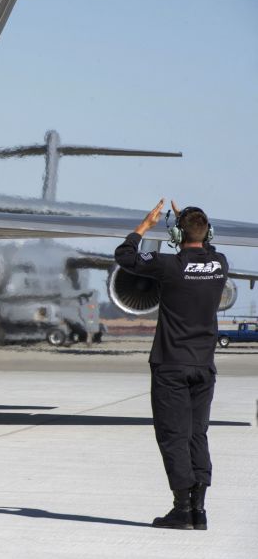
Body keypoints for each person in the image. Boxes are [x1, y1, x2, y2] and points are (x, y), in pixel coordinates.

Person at [114, 198, 228, 530]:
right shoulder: (219, 263)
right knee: (197, 434)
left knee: (173, 435)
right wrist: (187, 225)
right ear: (208, 234)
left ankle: (181, 509)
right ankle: (199, 510)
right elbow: (205, 248)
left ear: (177, 235)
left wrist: (145, 226)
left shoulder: (169, 265)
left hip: (171, 365)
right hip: (204, 366)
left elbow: (125, 256)